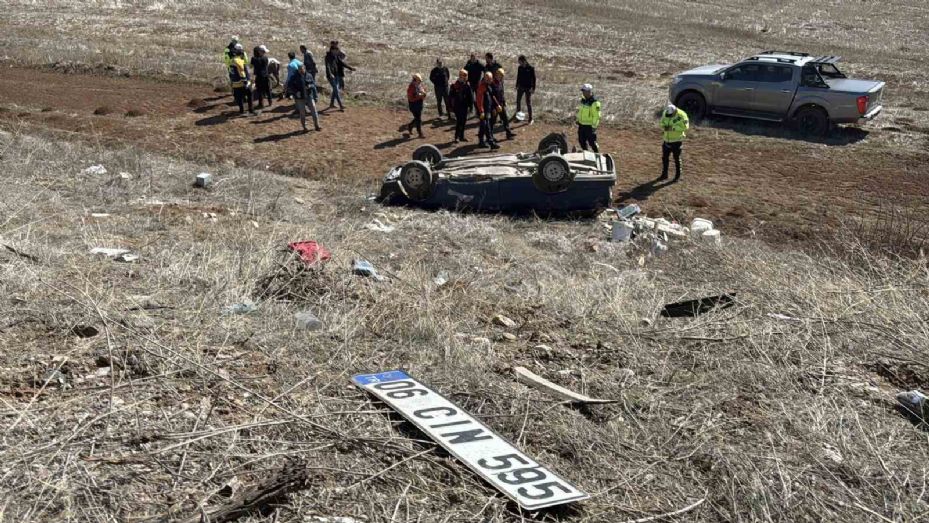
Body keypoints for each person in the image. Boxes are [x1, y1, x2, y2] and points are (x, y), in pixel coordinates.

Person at [287, 63, 321, 132]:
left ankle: (317, 126)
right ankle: (304, 127)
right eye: (300, 69)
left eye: (302, 69)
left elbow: (313, 85)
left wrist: (315, 94)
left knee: (314, 111)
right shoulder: (294, 77)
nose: (301, 70)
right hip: (300, 98)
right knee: (302, 113)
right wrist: (296, 92)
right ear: (298, 70)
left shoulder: (309, 75)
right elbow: (290, 87)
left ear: (305, 69)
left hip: (309, 96)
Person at [659, 103, 689, 180]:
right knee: (664, 158)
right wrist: (663, 126)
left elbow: (685, 127)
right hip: (666, 139)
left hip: (677, 141)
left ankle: (677, 176)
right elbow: (661, 122)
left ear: (675, 111)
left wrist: (673, 128)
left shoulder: (682, 115)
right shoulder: (665, 113)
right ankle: (664, 174)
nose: (669, 116)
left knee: (676, 158)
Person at [325, 41, 354, 111]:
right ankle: (341, 106)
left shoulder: (336, 56)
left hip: (336, 75)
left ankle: (331, 104)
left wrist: (350, 68)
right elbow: (327, 66)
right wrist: (330, 74)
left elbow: (342, 63)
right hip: (331, 76)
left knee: (335, 90)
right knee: (336, 90)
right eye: (336, 50)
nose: (337, 52)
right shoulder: (327, 57)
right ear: (332, 50)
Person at [475, 72, 500, 149]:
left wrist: (497, 105)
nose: (490, 80)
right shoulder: (481, 87)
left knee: (483, 126)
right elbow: (479, 101)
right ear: (486, 79)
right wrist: (481, 111)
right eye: (489, 79)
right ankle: (491, 142)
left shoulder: (488, 86)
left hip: (487, 110)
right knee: (487, 126)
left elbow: (492, 96)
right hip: (483, 111)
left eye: (491, 79)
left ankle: (481, 142)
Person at [448, 69, 474, 143]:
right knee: (459, 121)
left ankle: (462, 136)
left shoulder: (467, 85)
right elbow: (450, 97)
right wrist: (450, 107)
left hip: (465, 106)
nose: (466, 77)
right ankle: (456, 137)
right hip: (457, 106)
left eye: (466, 75)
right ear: (460, 76)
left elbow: (470, 96)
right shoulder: (455, 85)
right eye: (464, 75)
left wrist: (471, 106)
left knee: (463, 121)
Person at [229, 44, 254, 115]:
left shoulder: (232, 61)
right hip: (241, 83)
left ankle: (241, 110)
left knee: (239, 98)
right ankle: (251, 110)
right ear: (241, 55)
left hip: (235, 83)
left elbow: (231, 73)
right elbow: (242, 72)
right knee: (250, 94)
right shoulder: (239, 61)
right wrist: (246, 82)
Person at [576, 83, 601, 152]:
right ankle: (586, 153)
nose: (583, 92)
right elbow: (580, 111)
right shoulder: (583, 100)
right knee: (581, 141)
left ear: (589, 91)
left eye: (584, 91)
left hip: (589, 126)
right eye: (583, 91)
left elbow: (597, 116)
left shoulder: (594, 102)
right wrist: (578, 120)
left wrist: (594, 126)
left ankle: (597, 154)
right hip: (581, 125)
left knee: (592, 142)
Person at [491, 68, 515, 140]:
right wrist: (496, 105)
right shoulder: (492, 83)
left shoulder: (501, 82)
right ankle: (490, 136)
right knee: (493, 121)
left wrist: (504, 101)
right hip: (495, 106)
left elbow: (502, 93)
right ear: (497, 75)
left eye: (502, 75)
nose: (501, 76)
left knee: (505, 119)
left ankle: (508, 134)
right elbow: (492, 95)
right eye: (500, 75)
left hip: (501, 104)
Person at [515, 55, 536, 124]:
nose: (519, 63)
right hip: (520, 87)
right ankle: (519, 117)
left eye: (520, 61)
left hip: (528, 88)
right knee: (518, 101)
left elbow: (534, 79)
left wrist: (533, 88)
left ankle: (530, 119)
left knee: (528, 103)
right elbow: (518, 77)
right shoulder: (520, 68)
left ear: (524, 61)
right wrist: (517, 85)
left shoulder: (531, 68)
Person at [405, 73, 427, 138]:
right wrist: (419, 96)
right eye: (419, 80)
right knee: (418, 119)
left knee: (417, 118)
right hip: (413, 105)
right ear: (415, 80)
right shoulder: (411, 87)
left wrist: (423, 94)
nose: (420, 82)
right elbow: (411, 98)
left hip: (419, 104)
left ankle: (410, 126)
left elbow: (423, 91)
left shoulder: (419, 85)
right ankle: (420, 133)